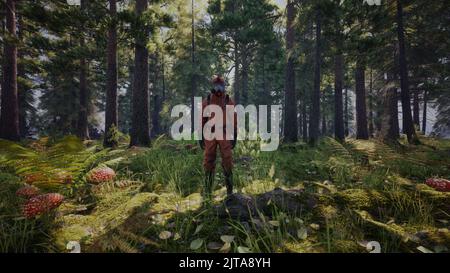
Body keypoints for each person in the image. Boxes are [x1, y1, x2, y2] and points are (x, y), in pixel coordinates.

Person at [199, 76, 237, 198]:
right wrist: (200, 135)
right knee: (208, 160)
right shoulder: (207, 101)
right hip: (210, 133)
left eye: (221, 86)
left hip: (224, 133)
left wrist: (234, 134)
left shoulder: (228, 101)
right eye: (216, 86)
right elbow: (202, 120)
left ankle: (230, 192)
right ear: (212, 86)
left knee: (227, 159)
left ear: (224, 87)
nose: (219, 89)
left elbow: (234, 119)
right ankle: (207, 193)